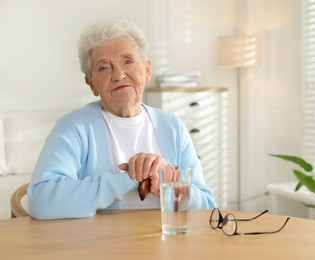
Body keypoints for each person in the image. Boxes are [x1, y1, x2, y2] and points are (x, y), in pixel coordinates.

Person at [27, 18, 216, 220]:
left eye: (128, 61)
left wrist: (166, 177)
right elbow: (41, 201)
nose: (119, 74)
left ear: (147, 70)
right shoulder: (74, 127)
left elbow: (206, 208)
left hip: (168, 243)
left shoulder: (172, 126)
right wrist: (128, 178)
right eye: (104, 67)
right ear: (91, 84)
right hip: (102, 247)